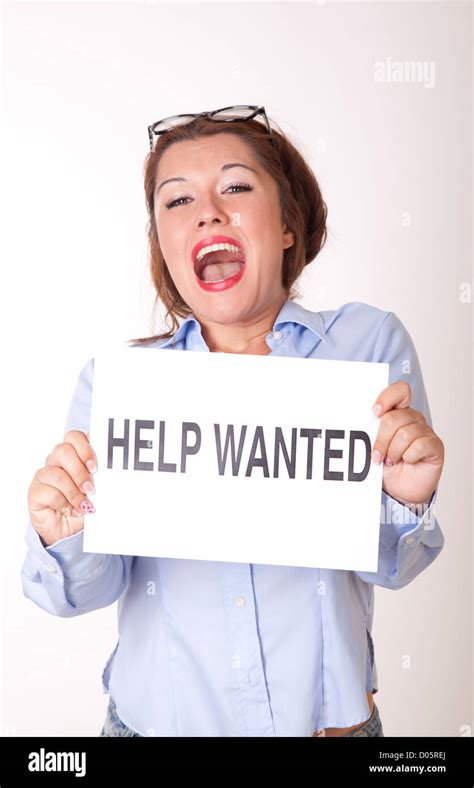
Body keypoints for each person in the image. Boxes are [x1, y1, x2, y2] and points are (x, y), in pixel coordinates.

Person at [22, 106, 445, 738]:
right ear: (164, 243)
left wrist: (403, 501)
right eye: (178, 199)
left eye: (237, 187)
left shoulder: (366, 345)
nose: (208, 212)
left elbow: (392, 567)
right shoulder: (120, 388)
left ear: (286, 228)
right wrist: (62, 534)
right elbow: (79, 593)